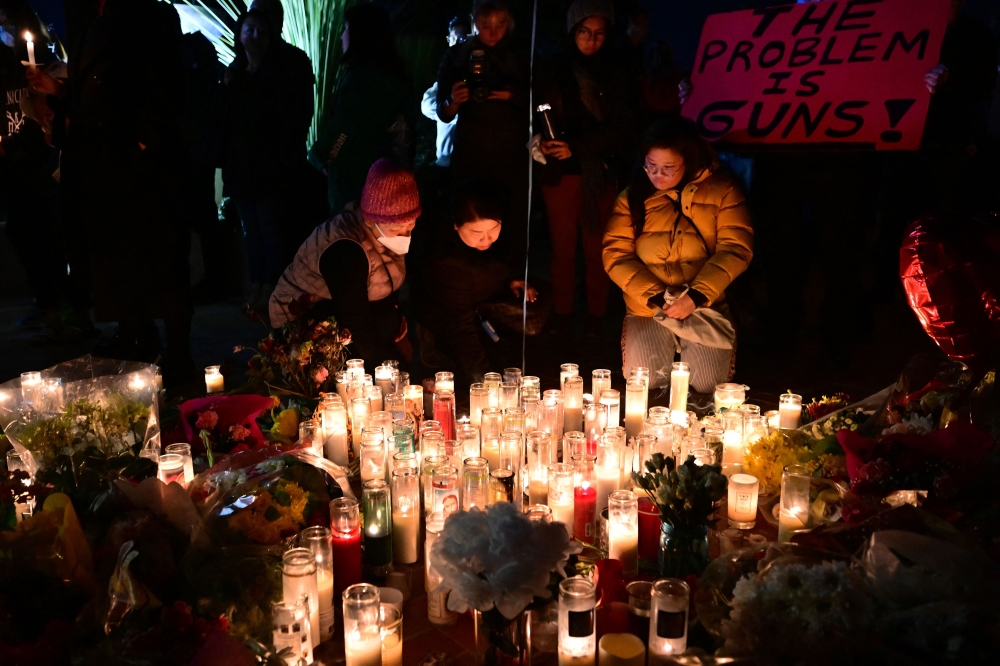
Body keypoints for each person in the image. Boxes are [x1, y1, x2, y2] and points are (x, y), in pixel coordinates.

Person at [603, 118, 753, 392]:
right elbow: (615, 254)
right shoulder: (632, 197)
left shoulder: (723, 191)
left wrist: (695, 296)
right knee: (644, 382)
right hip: (648, 307)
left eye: (668, 168)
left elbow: (736, 248)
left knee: (708, 384)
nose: (657, 175)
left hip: (704, 304)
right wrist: (657, 297)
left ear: (689, 160)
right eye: (651, 166)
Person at [533, 0, 635, 336]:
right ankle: (562, 316)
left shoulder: (617, 71)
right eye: (584, 33)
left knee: (598, 248)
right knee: (562, 249)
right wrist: (542, 140)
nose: (591, 41)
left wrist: (577, 146)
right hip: (560, 173)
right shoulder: (553, 68)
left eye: (599, 34)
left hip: (599, 170)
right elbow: (540, 110)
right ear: (572, 31)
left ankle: (597, 317)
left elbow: (622, 124)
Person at [269, 159, 420, 366]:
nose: (404, 234)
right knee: (378, 340)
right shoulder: (346, 249)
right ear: (370, 220)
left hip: (341, 308)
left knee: (388, 321)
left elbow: (385, 279)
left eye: (410, 225)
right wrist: (395, 373)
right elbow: (356, 323)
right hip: (301, 319)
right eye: (396, 229)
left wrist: (393, 313)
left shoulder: (384, 232)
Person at [222, 7, 314, 316]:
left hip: (271, 169)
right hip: (245, 168)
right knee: (254, 229)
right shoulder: (234, 73)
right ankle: (259, 285)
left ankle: (271, 287)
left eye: (261, 31)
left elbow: (291, 121)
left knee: (270, 228)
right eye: (250, 30)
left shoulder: (280, 72)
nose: (255, 36)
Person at [416, 180, 536, 382]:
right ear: (456, 225)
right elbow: (459, 327)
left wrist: (513, 277)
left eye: (493, 230)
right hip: (452, 326)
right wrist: (485, 380)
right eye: (476, 233)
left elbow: (505, 257)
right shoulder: (445, 261)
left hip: (485, 314)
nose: (486, 240)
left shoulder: (500, 237)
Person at [435, 0, 529, 258]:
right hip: (471, 150)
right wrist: (453, 100)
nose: (492, 31)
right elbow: (442, 113)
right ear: (474, 21)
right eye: (485, 24)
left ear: (509, 22)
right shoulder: (457, 55)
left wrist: (512, 95)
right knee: (470, 212)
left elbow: (541, 100)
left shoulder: (522, 54)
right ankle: (468, 272)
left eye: (500, 24)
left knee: (511, 216)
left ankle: (511, 275)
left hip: (511, 150)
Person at [310, 3, 412, 215]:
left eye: (346, 29)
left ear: (360, 34)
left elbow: (343, 130)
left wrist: (321, 156)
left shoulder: (361, 80)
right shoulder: (397, 76)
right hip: (391, 183)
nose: (341, 37)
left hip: (358, 188)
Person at [421, 15, 471, 200]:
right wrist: (451, 106)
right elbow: (426, 106)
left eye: (463, 38)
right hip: (446, 160)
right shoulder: (446, 76)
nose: (458, 43)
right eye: (454, 38)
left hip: (471, 159)